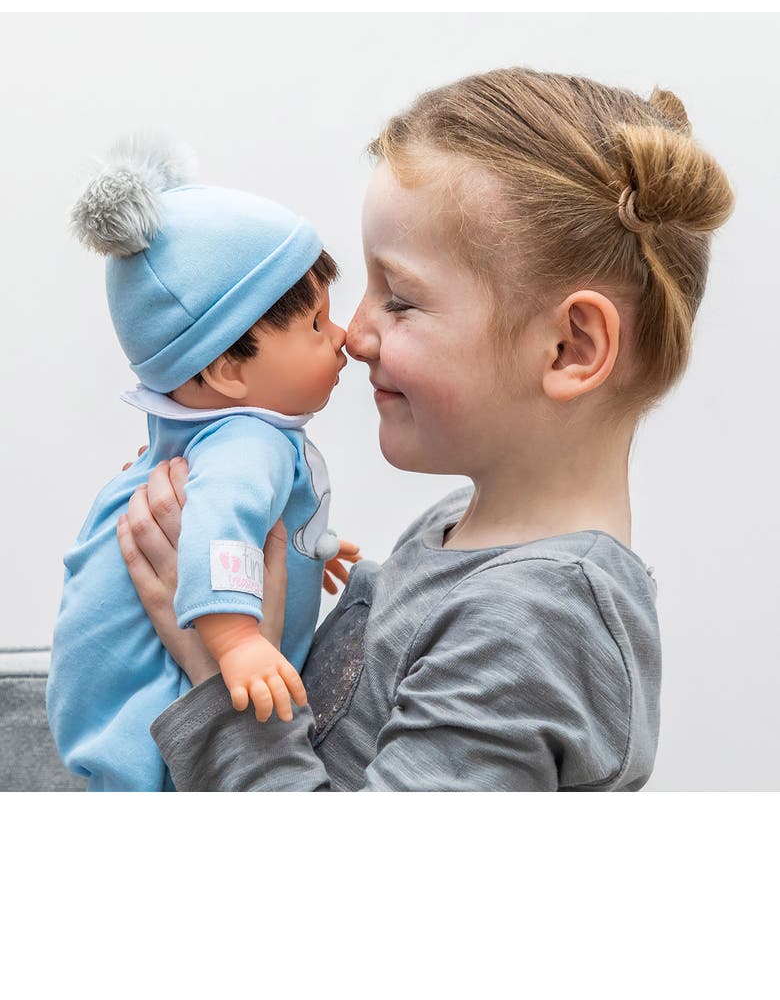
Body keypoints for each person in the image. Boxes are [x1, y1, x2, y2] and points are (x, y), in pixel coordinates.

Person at [117, 68, 735, 791]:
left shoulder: (531, 628)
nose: (353, 334)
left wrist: (217, 675)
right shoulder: (457, 528)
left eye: (401, 300)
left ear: (570, 348)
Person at [46, 137, 359, 791]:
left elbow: (238, 517)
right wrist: (238, 642)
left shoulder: (211, 430)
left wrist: (308, 549)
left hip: (107, 701)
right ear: (225, 369)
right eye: (316, 325)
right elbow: (219, 526)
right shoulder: (249, 442)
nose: (345, 339)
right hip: (156, 719)